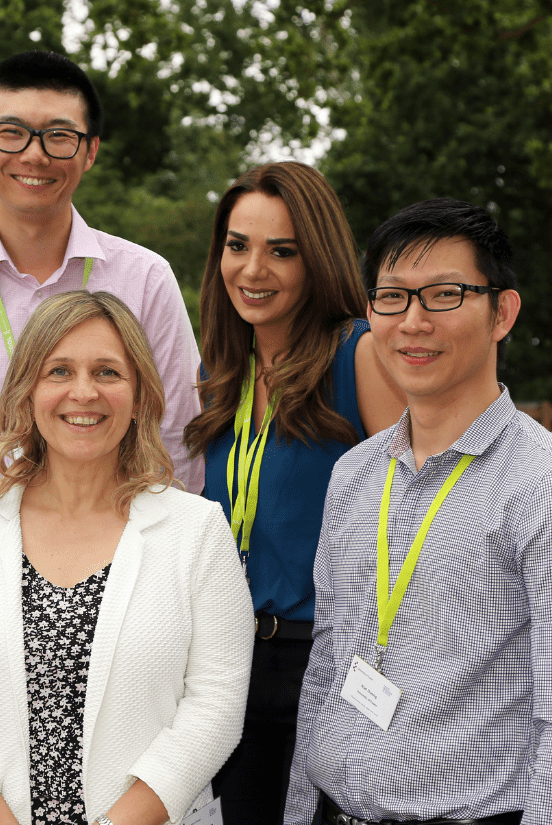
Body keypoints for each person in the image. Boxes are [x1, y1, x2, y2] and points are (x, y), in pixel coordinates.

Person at [284, 199, 552, 825]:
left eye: (444, 294)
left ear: (503, 312)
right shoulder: (354, 476)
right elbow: (328, 669)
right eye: (392, 297)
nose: (413, 322)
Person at [0, 290, 252, 825]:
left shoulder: (198, 531)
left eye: (108, 372)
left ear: (139, 393)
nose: (84, 392)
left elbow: (216, 707)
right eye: (60, 371)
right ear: (26, 390)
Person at [182, 162, 406, 824]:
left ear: (318, 258)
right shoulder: (221, 371)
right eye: (238, 244)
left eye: (283, 250)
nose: (253, 269)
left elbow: (416, 512)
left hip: (327, 660)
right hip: (229, 661)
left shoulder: (357, 353)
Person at [0, 50, 204, 506]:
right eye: (12, 134)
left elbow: (177, 437)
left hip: (111, 549)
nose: (34, 155)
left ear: (90, 150)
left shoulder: (146, 279)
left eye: (59, 136)